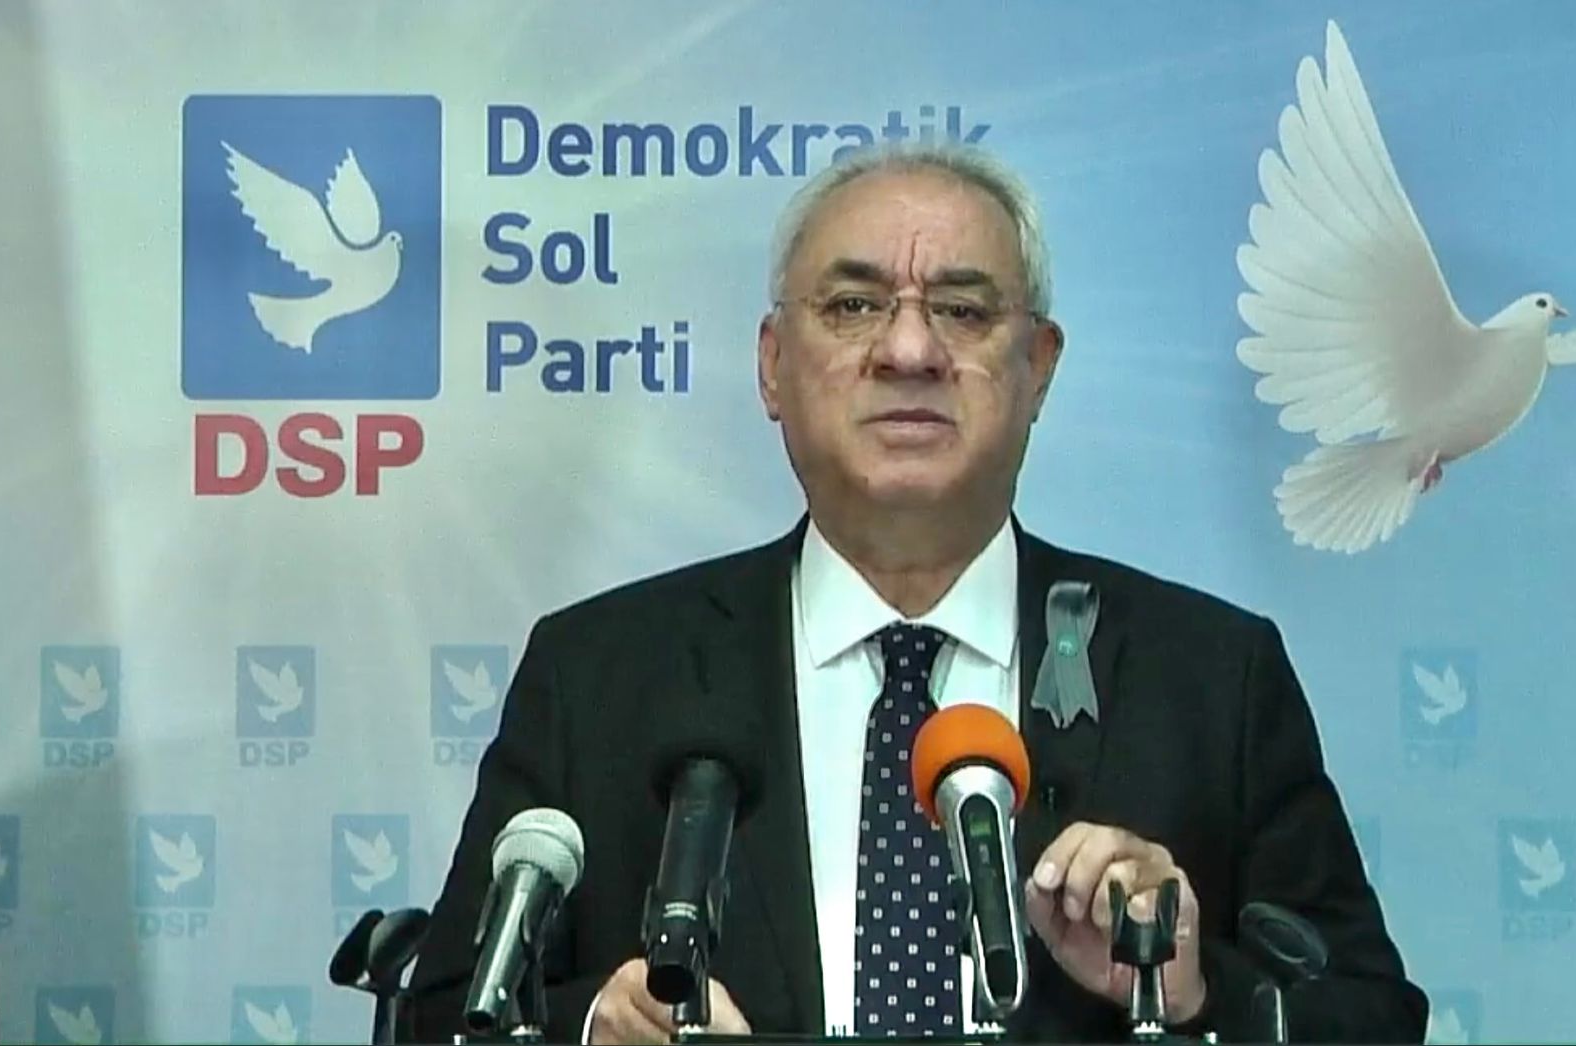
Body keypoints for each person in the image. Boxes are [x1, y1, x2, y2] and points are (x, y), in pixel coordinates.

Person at [402, 141, 1426, 1044]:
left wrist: (1192, 986)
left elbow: (1372, 1018)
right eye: (852, 306)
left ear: (1038, 367)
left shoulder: (1206, 677)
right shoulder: (600, 675)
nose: (907, 351)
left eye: (963, 310)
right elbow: (435, 1014)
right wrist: (594, 1026)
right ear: (772, 365)